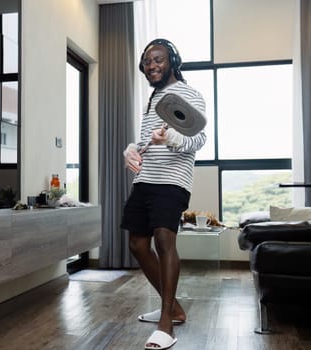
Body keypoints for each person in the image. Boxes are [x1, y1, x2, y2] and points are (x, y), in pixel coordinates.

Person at [121, 38, 207, 350]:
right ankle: (174, 307)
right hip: (145, 181)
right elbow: (145, 140)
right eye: (147, 62)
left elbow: (199, 139)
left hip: (172, 181)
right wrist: (131, 149)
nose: (152, 65)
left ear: (172, 60)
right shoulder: (154, 97)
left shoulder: (188, 94)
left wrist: (171, 137)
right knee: (137, 244)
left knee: (163, 239)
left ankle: (166, 323)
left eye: (158, 59)